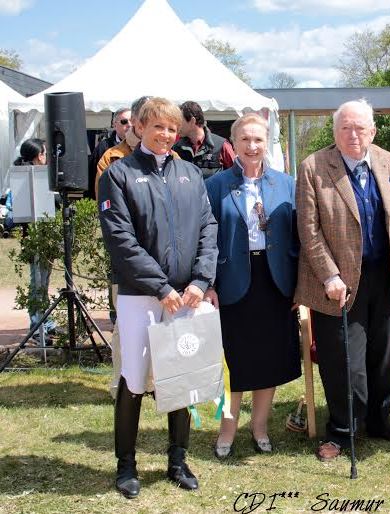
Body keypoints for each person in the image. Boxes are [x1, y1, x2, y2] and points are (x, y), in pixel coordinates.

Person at [98, 97, 218, 498]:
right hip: (140, 297)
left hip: (187, 297)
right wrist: (160, 287)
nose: (166, 135)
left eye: (171, 128)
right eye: (157, 128)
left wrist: (200, 281)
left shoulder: (189, 173)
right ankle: (126, 465)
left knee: (180, 378)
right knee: (133, 379)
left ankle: (178, 460)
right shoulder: (118, 174)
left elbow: (208, 228)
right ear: (140, 129)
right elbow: (121, 241)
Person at [295, 99, 390, 462]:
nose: (353, 134)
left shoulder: (387, 161)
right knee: (343, 362)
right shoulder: (314, 167)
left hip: (383, 277)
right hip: (336, 284)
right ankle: (342, 430)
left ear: (372, 131)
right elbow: (309, 229)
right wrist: (330, 275)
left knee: (383, 355)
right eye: (345, 127)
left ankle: (379, 421)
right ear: (335, 132)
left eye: (360, 128)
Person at [205, 113, 300, 459]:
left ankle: (259, 426)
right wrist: (209, 285)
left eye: (258, 139)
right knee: (233, 361)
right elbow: (207, 239)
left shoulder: (287, 184)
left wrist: (299, 288)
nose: (252, 146)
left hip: (275, 282)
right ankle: (227, 428)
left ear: (267, 142)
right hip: (232, 284)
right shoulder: (215, 186)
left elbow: (299, 238)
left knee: (268, 359)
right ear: (233, 143)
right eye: (245, 139)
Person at [13, 138, 58, 340]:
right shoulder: (23, 177)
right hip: (34, 238)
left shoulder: (43, 175)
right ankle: (36, 325)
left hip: (47, 236)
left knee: (44, 281)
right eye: (44, 153)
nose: (46, 156)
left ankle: (45, 321)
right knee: (37, 283)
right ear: (37, 155)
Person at [173, 100, 235, 179]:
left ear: (192, 121)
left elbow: (236, 174)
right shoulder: (176, 148)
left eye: (180, 121)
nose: (177, 126)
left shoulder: (221, 145)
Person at [89, 107, 131, 198]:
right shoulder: (104, 147)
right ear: (114, 125)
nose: (129, 124)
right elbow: (92, 176)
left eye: (132, 121)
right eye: (124, 122)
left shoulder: (142, 145)